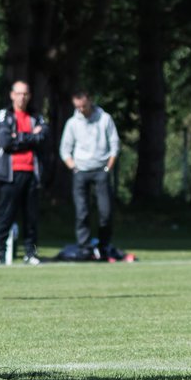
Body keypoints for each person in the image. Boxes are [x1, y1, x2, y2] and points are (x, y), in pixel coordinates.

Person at [0, 80, 46, 265]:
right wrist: (30, 136)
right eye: (19, 93)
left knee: (31, 217)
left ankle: (31, 253)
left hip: (31, 172)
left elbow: (43, 137)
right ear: (12, 95)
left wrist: (19, 137)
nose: (22, 97)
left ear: (29, 96)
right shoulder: (5, 115)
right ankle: (0, 252)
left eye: (25, 94)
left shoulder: (35, 116)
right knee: (5, 215)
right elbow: (5, 141)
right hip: (9, 174)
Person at [59, 91, 120, 256]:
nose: (81, 110)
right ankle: (84, 248)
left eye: (83, 106)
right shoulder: (73, 123)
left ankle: (104, 246)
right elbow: (65, 150)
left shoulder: (105, 119)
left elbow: (114, 144)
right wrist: (74, 167)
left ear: (90, 101)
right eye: (77, 107)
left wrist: (108, 167)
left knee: (105, 212)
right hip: (81, 171)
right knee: (82, 212)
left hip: (101, 170)